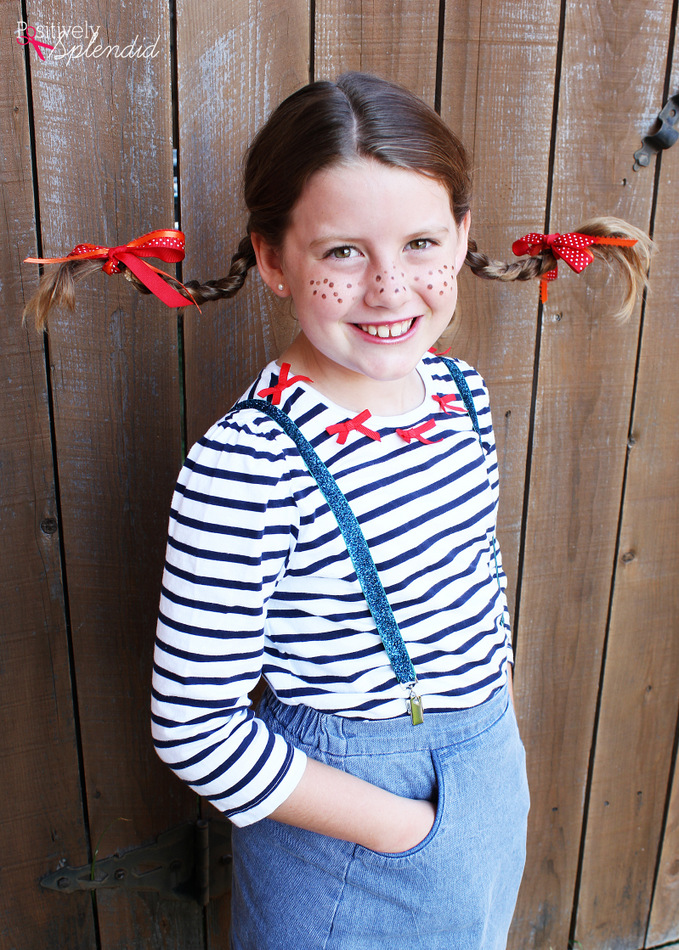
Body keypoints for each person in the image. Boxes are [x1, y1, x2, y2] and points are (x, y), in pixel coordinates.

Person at [25, 73, 653, 950]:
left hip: (482, 780)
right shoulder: (250, 464)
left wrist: (490, 730)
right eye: (341, 253)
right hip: (353, 833)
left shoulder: (458, 395)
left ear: (463, 235)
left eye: (421, 242)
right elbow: (195, 730)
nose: (391, 288)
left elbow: (474, 571)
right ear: (275, 260)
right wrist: (402, 829)